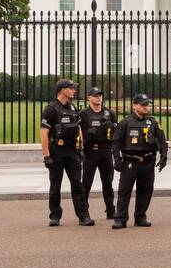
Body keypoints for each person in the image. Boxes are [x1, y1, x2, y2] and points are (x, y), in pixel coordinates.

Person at [110, 92, 168, 229]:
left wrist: (164, 155)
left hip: (148, 161)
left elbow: (163, 141)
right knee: (124, 191)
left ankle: (140, 216)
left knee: (146, 190)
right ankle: (121, 218)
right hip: (130, 161)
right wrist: (116, 158)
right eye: (143, 105)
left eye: (147, 104)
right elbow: (116, 142)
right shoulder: (125, 122)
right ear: (134, 106)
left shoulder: (153, 122)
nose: (146, 107)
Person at [40, 78, 93, 227]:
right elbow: (44, 132)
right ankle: (55, 216)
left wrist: (80, 147)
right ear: (62, 90)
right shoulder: (51, 109)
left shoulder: (73, 108)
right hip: (57, 151)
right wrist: (46, 155)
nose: (74, 90)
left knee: (77, 183)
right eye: (71, 88)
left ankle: (83, 216)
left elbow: (78, 128)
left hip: (72, 151)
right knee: (55, 185)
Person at [78, 86, 118, 220]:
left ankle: (111, 210)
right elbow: (78, 132)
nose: (98, 97)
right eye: (95, 95)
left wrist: (112, 126)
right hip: (90, 151)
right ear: (89, 97)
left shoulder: (109, 113)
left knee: (108, 183)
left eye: (100, 95)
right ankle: (84, 212)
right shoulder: (83, 114)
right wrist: (86, 136)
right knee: (86, 184)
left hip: (106, 150)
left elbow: (117, 131)